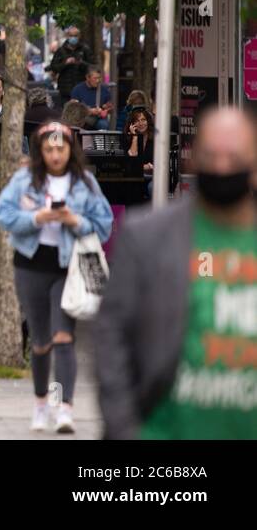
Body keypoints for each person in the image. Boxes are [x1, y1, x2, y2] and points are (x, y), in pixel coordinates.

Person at [96, 105, 257, 439]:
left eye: (234, 156)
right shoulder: (147, 236)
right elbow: (111, 334)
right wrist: (125, 427)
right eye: (213, 155)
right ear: (195, 158)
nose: (223, 166)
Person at [0, 121, 113, 434]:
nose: (55, 155)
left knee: (63, 338)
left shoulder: (84, 182)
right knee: (41, 341)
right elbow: (3, 214)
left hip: (68, 268)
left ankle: (65, 408)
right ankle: (40, 404)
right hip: (31, 265)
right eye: (49, 149)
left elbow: (104, 224)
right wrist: (37, 217)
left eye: (61, 148)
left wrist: (75, 220)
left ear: (70, 150)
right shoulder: (25, 180)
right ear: (40, 151)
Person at [47, 25, 96, 100]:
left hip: (81, 89)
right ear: (67, 36)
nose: (73, 38)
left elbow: (93, 67)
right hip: (65, 90)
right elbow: (53, 67)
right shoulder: (61, 50)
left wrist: (81, 63)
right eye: (71, 35)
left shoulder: (85, 49)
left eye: (75, 35)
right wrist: (65, 63)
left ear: (79, 36)